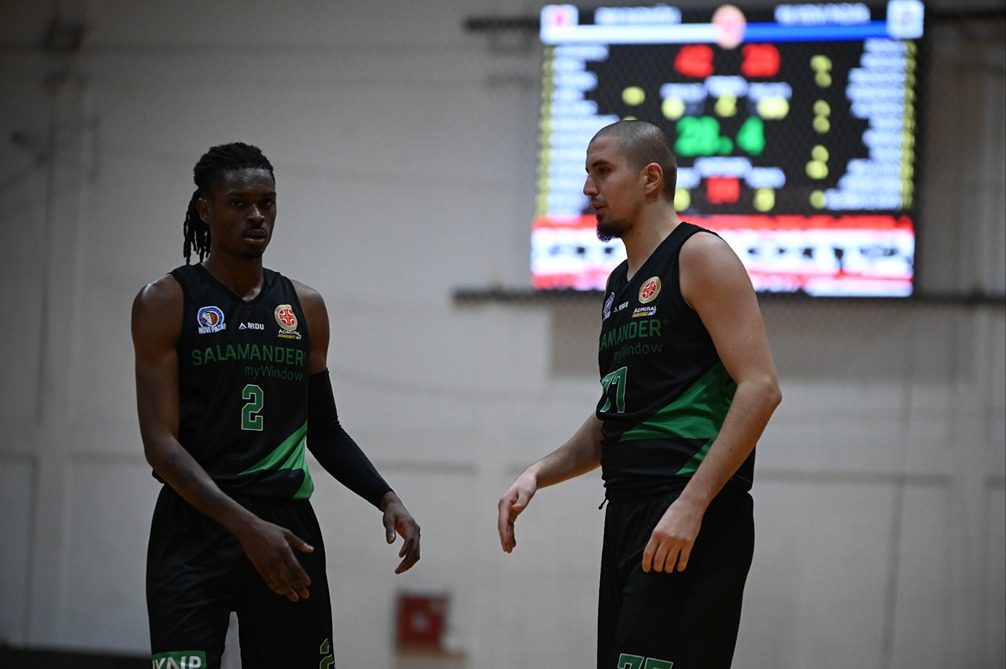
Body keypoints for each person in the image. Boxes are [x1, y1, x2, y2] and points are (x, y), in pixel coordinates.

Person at [497, 120, 781, 669]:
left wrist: (691, 505)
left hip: (689, 510)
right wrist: (538, 473)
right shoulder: (617, 286)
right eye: (588, 173)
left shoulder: (699, 255)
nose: (589, 188)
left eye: (602, 171)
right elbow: (616, 417)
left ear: (651, 178)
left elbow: (761, 388)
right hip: (628, 513)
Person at [132, 142, 421, 668]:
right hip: (194, 523)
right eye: (239, 203)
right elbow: (160, 446)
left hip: (286, 523)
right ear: (205, 209)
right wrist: (246, 527)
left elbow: (325, 430)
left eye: (266, 203)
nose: (256, 215)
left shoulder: (304, 306)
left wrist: (386, 497)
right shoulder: (166, 301)